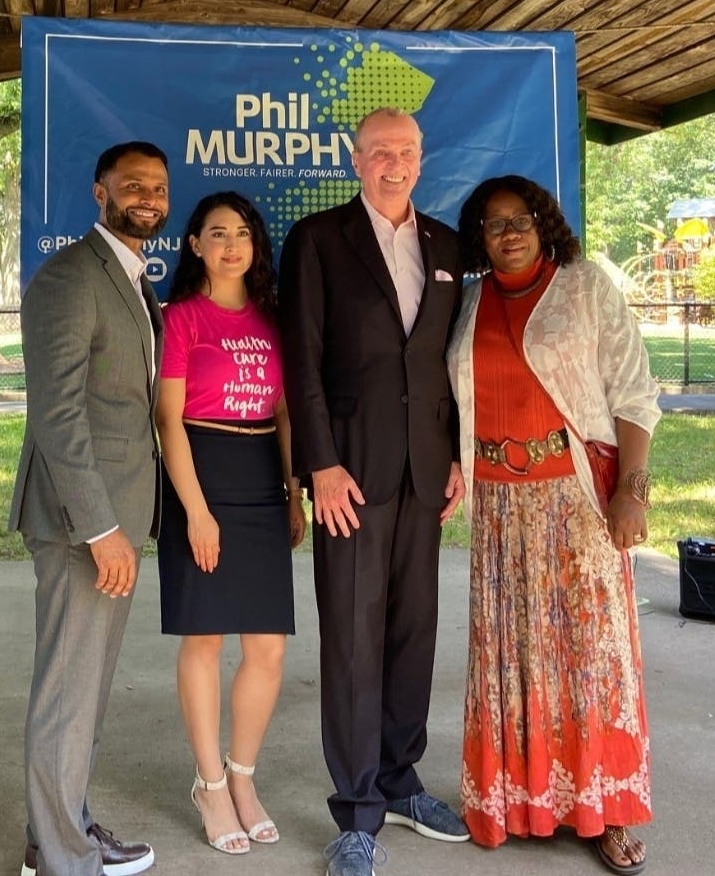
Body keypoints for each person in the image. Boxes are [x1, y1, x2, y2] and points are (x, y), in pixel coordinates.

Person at [446, 175, 660, 875]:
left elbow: (634, 390)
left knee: (594, 659)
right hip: (498, 509)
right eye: (492, 223)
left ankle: (610, 810)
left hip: (574, 496)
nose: (506, 233)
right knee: (511, 658)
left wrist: (633, 491)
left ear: (545, 224)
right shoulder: (470, 301)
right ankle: (521, 800)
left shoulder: (585, 285)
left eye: (520, 220)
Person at [278, 107, 469, 876]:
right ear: (355, 160)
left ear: (423, 159)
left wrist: (455, 455)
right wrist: (317, 464)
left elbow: (451, 365)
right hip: (348, 472)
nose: (395, 161)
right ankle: (356, 812)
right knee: (353, 640)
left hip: (426, 471)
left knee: (412, 632)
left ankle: (400, 778)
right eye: (381, 150)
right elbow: (302, 357)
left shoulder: (447, 245)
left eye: (408, 150)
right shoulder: (319, 239)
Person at [9, 141, 168, 876]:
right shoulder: (72, 277)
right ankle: (62, 862)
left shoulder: (133, 278)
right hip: (85, 526)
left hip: (117, 520)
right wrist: (102, 529)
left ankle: (64, 829)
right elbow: (58, 414)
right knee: (68, 696)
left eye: (158, 186)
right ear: (100, 192)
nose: (148, 195)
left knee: (86, 694)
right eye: (132, 183)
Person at [154, 191, 306, 855]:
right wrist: (195, 511)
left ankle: (243, 778)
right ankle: (209, 783)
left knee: (268, 646)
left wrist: (294, 490)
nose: (231, 244)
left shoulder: (275, 319)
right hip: (200, 469)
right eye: (216, 233)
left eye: (242, 233)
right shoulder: (181, 318)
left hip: (261, 481)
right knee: (206, 640)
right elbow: (167, 420)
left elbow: (283, 414)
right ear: (195, 245)